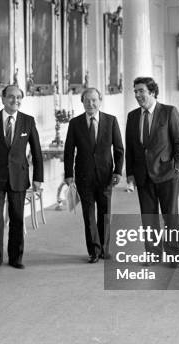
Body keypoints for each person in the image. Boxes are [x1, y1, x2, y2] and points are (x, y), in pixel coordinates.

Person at [0, 85, 43, 270]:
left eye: (19, 97)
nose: (15, 101)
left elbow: (37, 152)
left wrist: (38, 178)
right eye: (11, 97)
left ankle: (16, 258)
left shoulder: (28, 121)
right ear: (3, 99)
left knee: (17, 218)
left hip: (19, 177)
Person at [125, 77, 179, 267]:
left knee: (170, 216)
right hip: (143, 176)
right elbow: (130, 147)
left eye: (141, 91)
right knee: (148, 218)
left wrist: (178, 166)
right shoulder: (133, 116)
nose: (137, 95)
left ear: (152, 92)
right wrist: (130, 174)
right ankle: (153, 254)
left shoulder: (169, 112)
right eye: (135, 91)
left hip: (167, 173)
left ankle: (175, 254)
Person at [64, 88, 124, 263]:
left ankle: (105, 249)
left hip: (106, 176)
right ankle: (94, 251)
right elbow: (69, 151)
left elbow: (119, 149)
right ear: (82, 102)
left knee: (105, 213)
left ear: (100, 101)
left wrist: (118, 172)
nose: (91, 104)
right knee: (88, 214)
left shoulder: (111, 121)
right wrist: (69, 174)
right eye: (87, 100)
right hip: (83, 176)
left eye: (94, 100)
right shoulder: (75, 123)